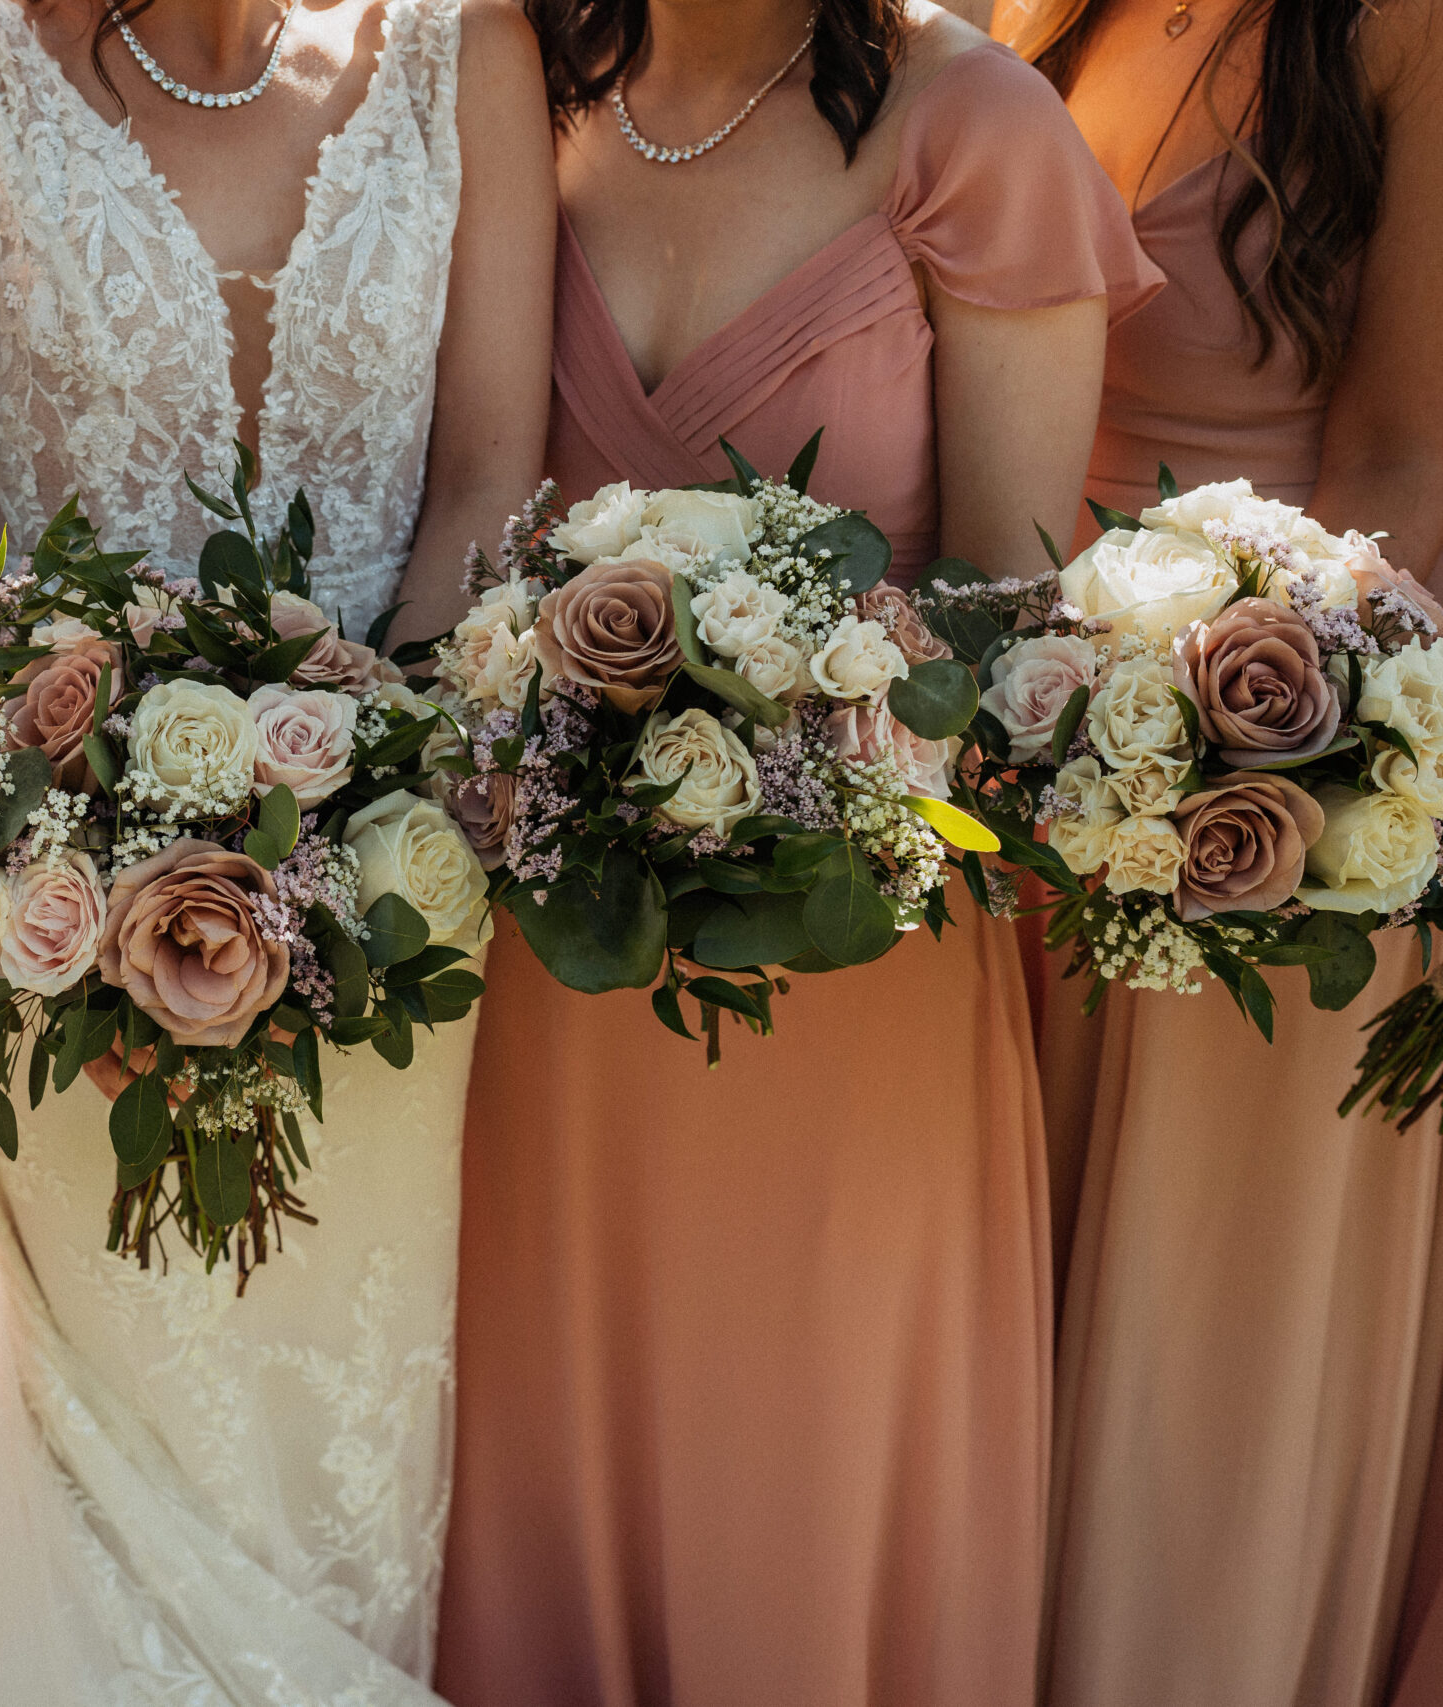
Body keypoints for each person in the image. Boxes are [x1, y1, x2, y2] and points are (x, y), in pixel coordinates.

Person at [0, 0, 553, 1692]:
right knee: (106, 1478)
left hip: (390, 897)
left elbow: (485, 478)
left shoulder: (464, 49)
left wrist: (365, 804)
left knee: (336, 1471)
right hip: (54, 904)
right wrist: (96, 824)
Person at [430, 2, 1158, 1703]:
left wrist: (791, 732)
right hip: (564, 975)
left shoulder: (973, 131)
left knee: (804, 1514)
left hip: (856, 965)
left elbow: (1011, 620)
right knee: (547, 1495)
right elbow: (473, 501)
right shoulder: (530, 87)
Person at [988, 0, 1443, 1700]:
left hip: (1289, 793)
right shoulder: (1042, 18)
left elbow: (1409, 458)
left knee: (1201, 1374)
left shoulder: (1401, 30)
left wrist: (1260, 771)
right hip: (1045, 789)